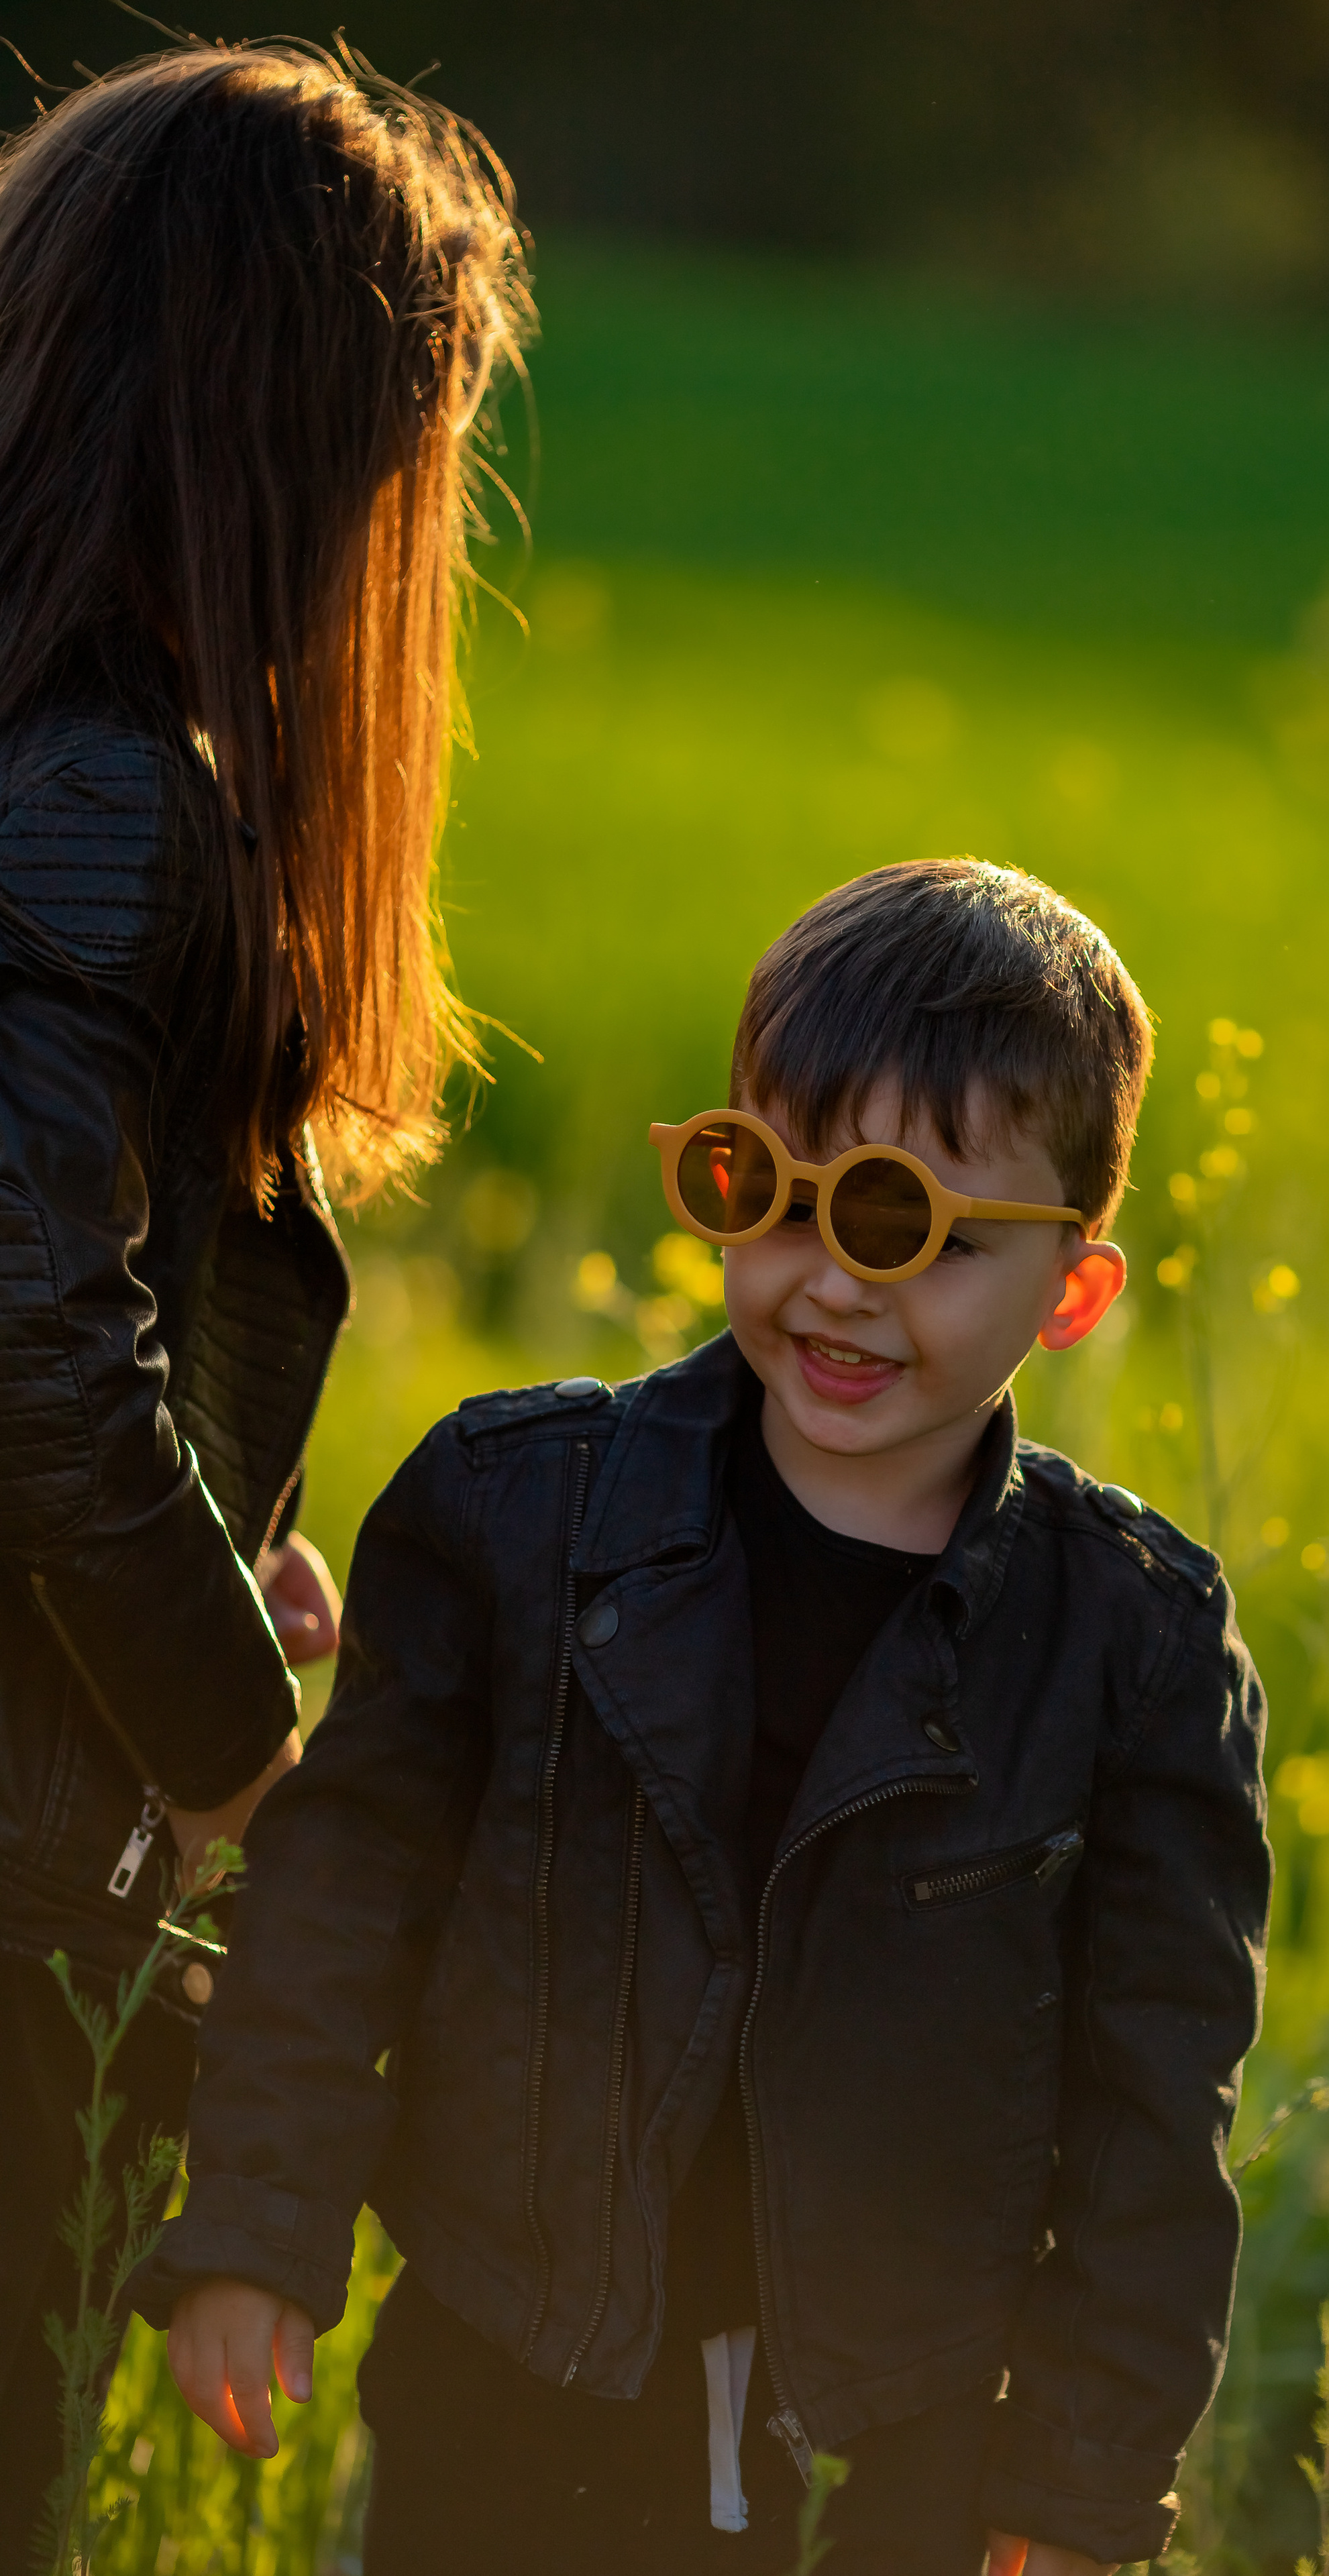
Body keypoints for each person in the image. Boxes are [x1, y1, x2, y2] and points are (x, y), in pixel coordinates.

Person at [140, 859, 1273, 2576]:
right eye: (773, 1193)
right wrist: (255, 2227)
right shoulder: (515, 1517)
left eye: (913, 1230)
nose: (831, 1280)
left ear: (1071, 1293)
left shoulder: (1131, 1649)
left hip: (893, 2445)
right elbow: (335, 1896)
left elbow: (1151, 2108)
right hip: (506, 2377)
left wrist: (1076, 2475)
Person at [0, 39, 529, 2562]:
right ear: (286, 441)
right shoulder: (97, 788)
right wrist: (234, 1759)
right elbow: (24, 1349)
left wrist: (209, 1545)